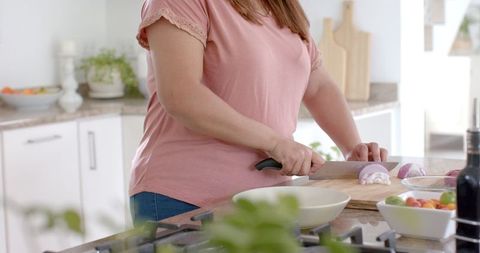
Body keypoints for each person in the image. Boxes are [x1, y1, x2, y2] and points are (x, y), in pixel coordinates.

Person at [129, 0, 388, 226]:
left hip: (269, 197)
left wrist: (353, 150)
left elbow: (318, 85)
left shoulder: (283, 6)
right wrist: (275, 142)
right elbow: (181, 94)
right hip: (185, 198)